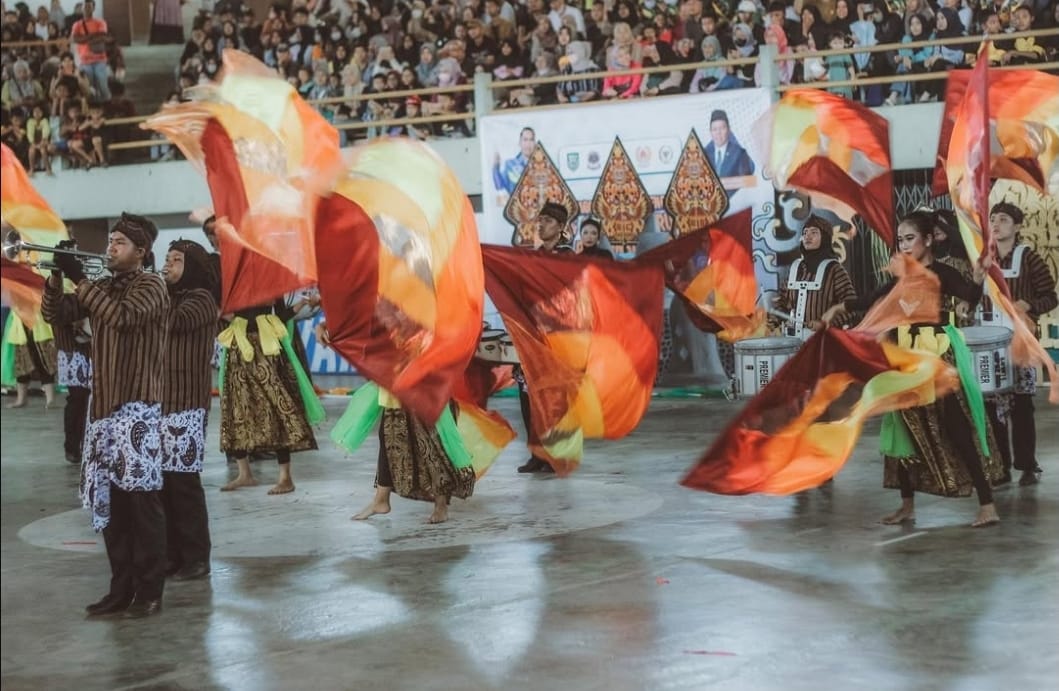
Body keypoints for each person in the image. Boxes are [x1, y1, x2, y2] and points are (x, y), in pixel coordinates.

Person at [821, 210, 1002, 528]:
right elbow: (875, 297)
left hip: (938, 355)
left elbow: (969, 296)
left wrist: (977, 277)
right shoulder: (901, 274)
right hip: (905, 354)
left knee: (957, 426)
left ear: (929, 240)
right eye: (901, 239)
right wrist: (842, 306)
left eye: (910, 238)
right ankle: (907, 506)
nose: (904, 246)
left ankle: (987, 505)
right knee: (903, 425)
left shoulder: (943, 272)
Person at [41, 213, 169, 618]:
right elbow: (55, 315)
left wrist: (80, 278)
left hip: (138, 410)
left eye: (119, 242)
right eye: (110, 240)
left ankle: (150, 591)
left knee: (142, 507)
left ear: (141, 251)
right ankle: (121, 587)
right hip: (103, 411)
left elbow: (122, 317)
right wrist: (56, 277)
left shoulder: (153, 286)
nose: (110, 247)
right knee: (111, 505)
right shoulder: (101, 286)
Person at [316, 323, 475, 524]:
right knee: (389, 436)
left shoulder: (425, 298)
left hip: (424, 369)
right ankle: (381, 500)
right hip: (394, 370)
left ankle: (441, 503)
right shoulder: (384, 299)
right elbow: (360, 314)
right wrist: (326, 326)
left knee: (432, 439)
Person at [980, 201, 1057, 486]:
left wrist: (1029, 304)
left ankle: (1027, 464)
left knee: (1022, 405)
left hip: (1021, 343)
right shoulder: (984, 260)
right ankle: (999, 467)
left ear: (1017, 226)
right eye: (993, 220)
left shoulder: (1029, 258)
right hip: (991, 343)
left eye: (1003, 219)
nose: (996, 225)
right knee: (993, 406)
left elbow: (1051, 296)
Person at [217, 296, 319, 495]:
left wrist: (301, 304)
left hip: (267, 349)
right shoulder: (234, 280)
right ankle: (244, 473)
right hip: (239, 348)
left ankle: (285, 477)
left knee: (276, 407)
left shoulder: (270, 281)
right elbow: (224, 310)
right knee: (236, 406)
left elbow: (280, 314)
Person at [159, 239, 218, 581]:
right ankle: (172, 555)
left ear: (192, 267)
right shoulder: (166, 296)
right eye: (166, 259)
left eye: (176, 260)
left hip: (187, 407)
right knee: (162, 486)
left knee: (183, 485)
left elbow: (173, 322)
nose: (168, 265)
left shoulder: (202, 300)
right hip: (159, 403)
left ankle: (196, 557)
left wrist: (150, 286)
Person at [517, 201, 574, 474]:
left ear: (561, 228)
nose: (541, 225)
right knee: (529, 396)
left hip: (560, 337)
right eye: (539, 220)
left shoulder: (567, 258)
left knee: (557, 400)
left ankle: (558, 455)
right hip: (533, 335)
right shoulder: (533, 257)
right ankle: (536, 454)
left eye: (548, 221)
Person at [770, 215, 857, 339]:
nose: (807, 236)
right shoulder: (795, 269)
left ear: (825, 238)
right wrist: (778, 321)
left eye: (814, 233)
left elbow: (851, 307)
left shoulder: (834, 270)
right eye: (805, 233)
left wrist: (825, 324)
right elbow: (781, 302)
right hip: (793, 342)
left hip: (823, 342)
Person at [41, 253, 92, 464]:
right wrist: (56, 275)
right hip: (72, 352)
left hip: (91, 351)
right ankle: (72, 447)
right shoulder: (61, 293)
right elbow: (52, 312)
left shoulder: (89, 288)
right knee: (77, 399)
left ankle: (83, 445)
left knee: (87, 401)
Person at [2, 309, 57, 409]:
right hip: (21, 321)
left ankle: (50, 400)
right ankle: (21, 399)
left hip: (39, 322)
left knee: (44, 361)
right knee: (21, 362)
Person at [703, 110, 754, 196]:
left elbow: (750, 182)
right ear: (710, 132)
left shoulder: (740, 154)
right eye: (714, 129)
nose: (718, 133)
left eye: (722, 128)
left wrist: (724, 183)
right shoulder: (704, 154)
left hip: (734, 204)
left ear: (729, 129)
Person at [69, 0, 111, 102]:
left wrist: (84, 38)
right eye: (85, 6)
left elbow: (102, 36)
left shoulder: (100, 22)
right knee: (89, 88)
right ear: (82, 8)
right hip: (85, 61)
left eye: (90, 6)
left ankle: (107, 105)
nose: (87, 8)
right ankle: (94, 109)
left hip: (100, 59)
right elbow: (75, 39)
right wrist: (93, 36)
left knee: (103, 86)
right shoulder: (77, 25)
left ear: (93, 8)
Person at [493, 127, 536, 197]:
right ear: (520, 143)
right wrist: (495, 167)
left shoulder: (543, 166)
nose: (528, 144)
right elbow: (500, 186)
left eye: (531, 140)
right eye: (525, 140)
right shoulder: (510, 165)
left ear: (535, 143)